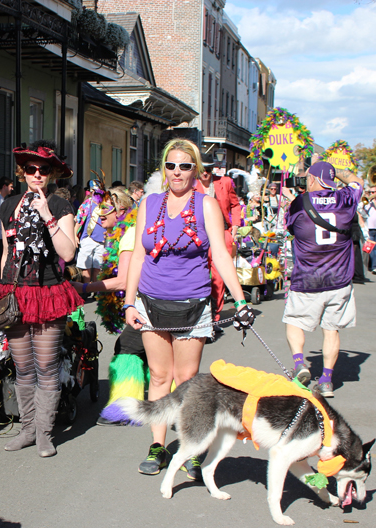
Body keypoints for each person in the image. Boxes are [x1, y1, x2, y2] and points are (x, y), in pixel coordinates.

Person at [123, 138, 253, 477]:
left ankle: (192, 446)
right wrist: (128, 301)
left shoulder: (206, 205)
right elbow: (137, 255)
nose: (177, 172)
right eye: (171, 165)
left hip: (192, 303)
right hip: (150, 301)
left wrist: (240, 300)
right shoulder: (149, 204)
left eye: (184, 165)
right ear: (163, 169)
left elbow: (221, 256)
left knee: (187, 379)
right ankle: (157, 445)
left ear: (195, 169)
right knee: (160, 376)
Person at [0, 141, 83, 458]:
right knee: (23, 367)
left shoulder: (59, 205)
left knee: (46, 367)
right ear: (22, 172)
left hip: (48, 292)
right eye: (31, 169)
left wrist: (47, 216)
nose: (37, 174)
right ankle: (28, 429)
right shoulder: (8, 205)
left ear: (52, 172)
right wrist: (2, 291)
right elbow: (5, 253)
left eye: (44, 169)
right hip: (15, 293)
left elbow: (68, 253)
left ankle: (44, 433)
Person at [281, 161, 362, 399]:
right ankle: (326, 381)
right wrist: (336, 171)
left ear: (315, 180)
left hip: (308, 279)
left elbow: (291, 230)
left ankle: (299, 364)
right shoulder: (346, 200)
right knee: (331, 330)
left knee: (295, 321)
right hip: (339, 279)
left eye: (308, 178)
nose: (306, 181)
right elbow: (358, 182)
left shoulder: (300, 202)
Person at [68, 188, 144, 426]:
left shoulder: (130, 234)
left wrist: (83, 288)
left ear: (121, 210)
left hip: (145, 304)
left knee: (127, 351)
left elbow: (123, 280)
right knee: (149, 354)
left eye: (105, 212)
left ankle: (125, 410)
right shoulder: (122, 234)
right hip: (145, 303)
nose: (99, 216)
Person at [195, 155, 239, 335]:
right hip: (197, 235)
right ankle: (198, 316)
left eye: (209, 170)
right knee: (197, 274)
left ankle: (215, 318)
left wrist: (235, 226)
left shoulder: (225, 182)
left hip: (221, 233)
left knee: (219, 279)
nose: (205, 173)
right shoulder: (191, 184)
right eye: (203, 169)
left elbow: (235, 205)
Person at [75, 181, 107, 283]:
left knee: (98, 267)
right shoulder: (86, 204)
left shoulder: (106, 204)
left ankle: (95, 289)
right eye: (94, 191)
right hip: (88, 238)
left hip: (102, 240)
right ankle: (86, 288)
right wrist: (75, 235)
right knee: (86, 267)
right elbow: (79, 221)